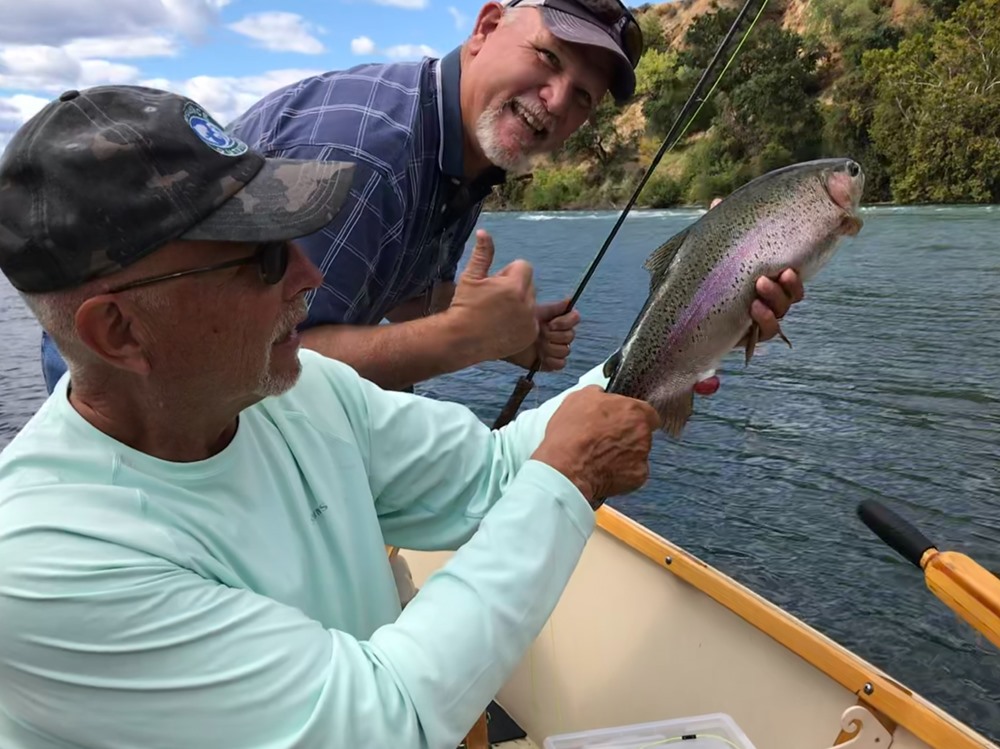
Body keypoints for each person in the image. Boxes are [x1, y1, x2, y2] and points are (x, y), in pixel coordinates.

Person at [0, 84, 665, 749]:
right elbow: (380, 721)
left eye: (295, 236)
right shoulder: (42, 563)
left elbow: (491, 473)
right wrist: (570, 476)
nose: (310, 274)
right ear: (119, 330)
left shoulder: (297, 389)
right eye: (262, 257)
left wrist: (668, 349)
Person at [35, 0, 806, 397]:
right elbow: (267, 359)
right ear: (486, 26)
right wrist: (465, 341)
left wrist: (501, 332)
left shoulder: (465, 149)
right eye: (546, 58)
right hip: (127, 390)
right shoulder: (366, 151)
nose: (555, 100)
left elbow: (394, 299)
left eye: (582, 97)